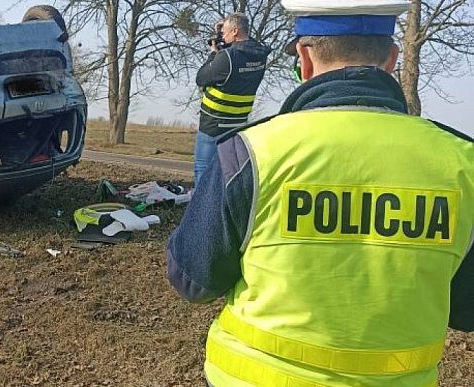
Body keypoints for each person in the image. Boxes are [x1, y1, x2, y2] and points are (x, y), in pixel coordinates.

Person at [167, 0, 474, 386]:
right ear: (393, 58)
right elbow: (467, 310)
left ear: (304, 59)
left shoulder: (251, 154)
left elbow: (192, 280)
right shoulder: (464, 165)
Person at [194, 13, 271, 186]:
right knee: (227, 175)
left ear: (235, 31)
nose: (223, 36)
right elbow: (247, 45)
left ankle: (202, 211)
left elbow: (201, 78)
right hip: (237, 126)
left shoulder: (227, 57)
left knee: (203, 170)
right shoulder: (260, 55)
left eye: (226, 32)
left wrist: (213, 55)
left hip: (213, 125)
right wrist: (226, 31)